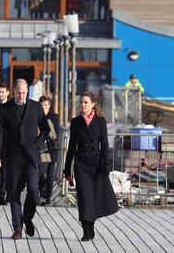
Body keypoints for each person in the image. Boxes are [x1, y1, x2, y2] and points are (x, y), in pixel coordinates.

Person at [0, 79, 49, 240]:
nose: (21, 95)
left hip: (31, 157)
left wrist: (37, 145)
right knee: (14, 194)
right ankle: (17, 228)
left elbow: (45, 129)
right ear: (13, 91)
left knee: (33, 190)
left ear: (27, 92)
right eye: (18, 92)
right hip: (13, 158)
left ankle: (27, 218)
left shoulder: (36, 107)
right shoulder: (5, 109)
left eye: (24, 93)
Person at [63, 92, 118, 241]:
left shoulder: (100, 121)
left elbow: (105, 144)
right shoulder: (75, 122)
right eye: (81, 102)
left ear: (93, 104)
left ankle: (91, 224)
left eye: (86, 102)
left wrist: (106, 164)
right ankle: (86, 230)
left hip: (96, 165)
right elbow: (72, 147)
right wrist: (67, 168)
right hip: (81, 165)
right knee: (84, 197)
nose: (83, 105)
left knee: (94, 198)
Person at [38, 95, 60, 206]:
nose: (44, 107)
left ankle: (48, 197)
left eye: (46, 105)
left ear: (49, 106)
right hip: (43, 149)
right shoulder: (37, 117)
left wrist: (48, 126)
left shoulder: (54, 117)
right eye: (42, 105)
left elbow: (55, 134)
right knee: (44, 173)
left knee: (51, 174)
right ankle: (42, 195)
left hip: (52, 149)